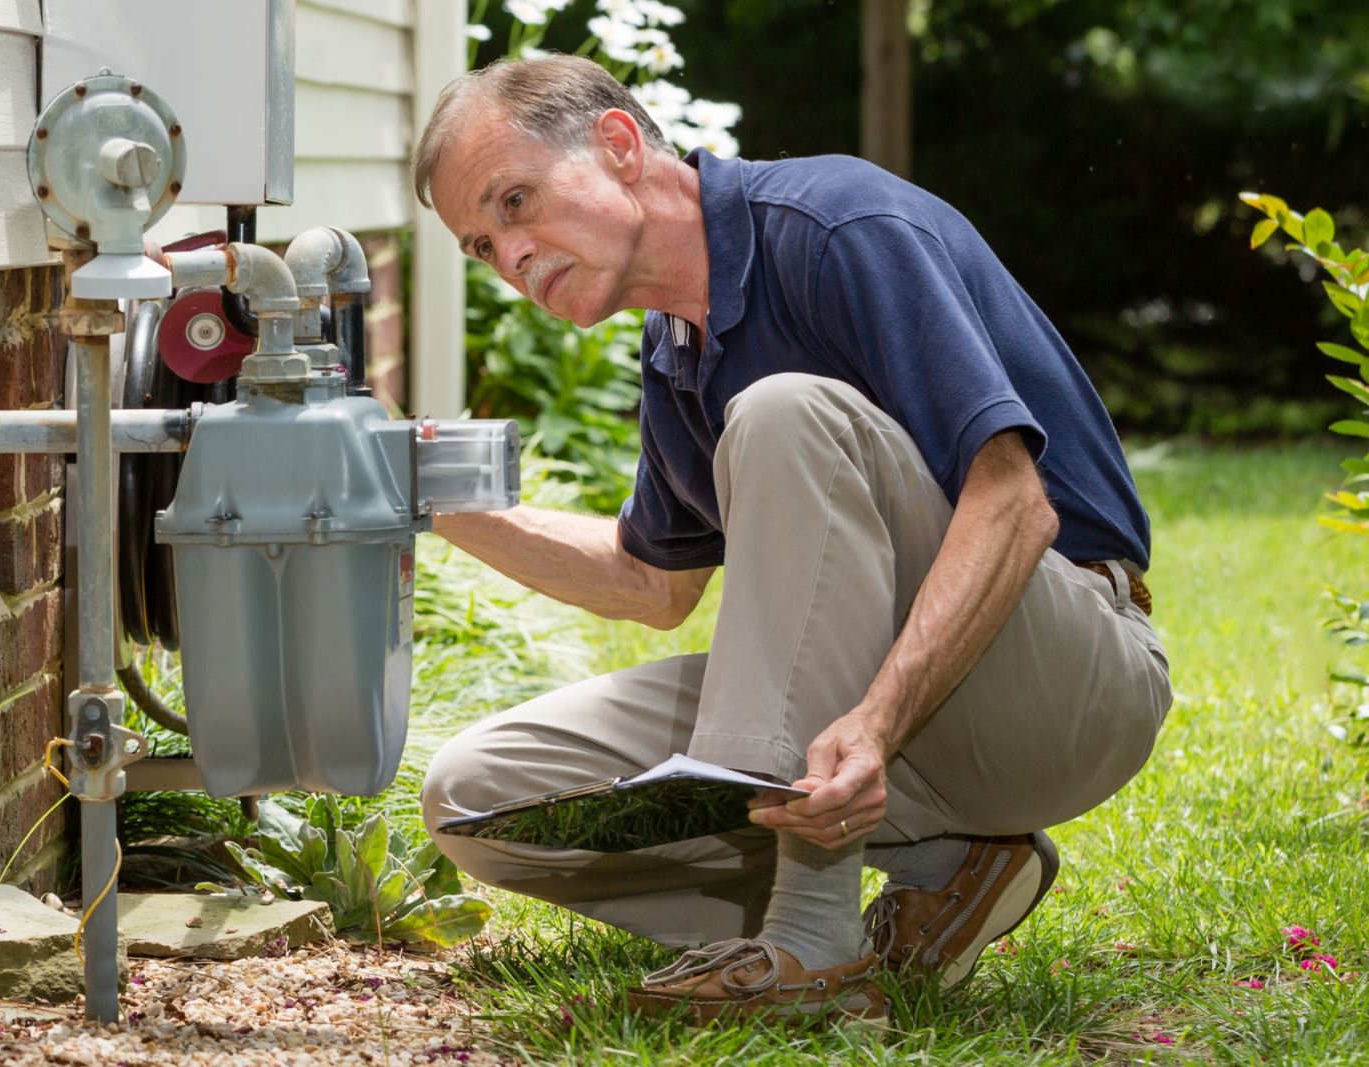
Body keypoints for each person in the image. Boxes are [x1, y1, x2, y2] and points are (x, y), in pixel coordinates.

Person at [411, 54, 1172, 1026]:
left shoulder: (834, 227)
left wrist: (877, 720)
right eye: (481, 245)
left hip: (1063, 681)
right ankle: (954, 865)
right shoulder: (676, 349)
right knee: (475, 794)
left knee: (782, 412)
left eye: (514, 201)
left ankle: (809, 943)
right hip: (901, 736)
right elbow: (652, 582)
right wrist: (427, 498)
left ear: (617, 144)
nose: (509, 254)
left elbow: (1015, 503)